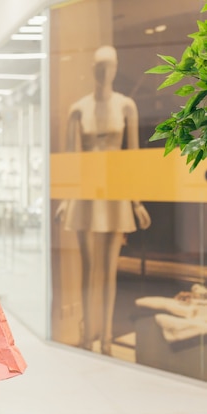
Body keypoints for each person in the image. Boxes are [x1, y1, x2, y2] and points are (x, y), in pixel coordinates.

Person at [55, 45, 151, 355]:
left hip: (115, 192)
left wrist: (136, 201)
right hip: (85, 193)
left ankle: (107, 337)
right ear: (93, 70)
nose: (103, 71)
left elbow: (133, 158)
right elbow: (71, 160)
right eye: (98, 66)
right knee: (88, 268)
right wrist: (67, 198)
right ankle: (87, 336)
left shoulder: (126, 106)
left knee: (109, 270)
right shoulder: (78, 109)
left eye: (108, 66)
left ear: (115, 68)